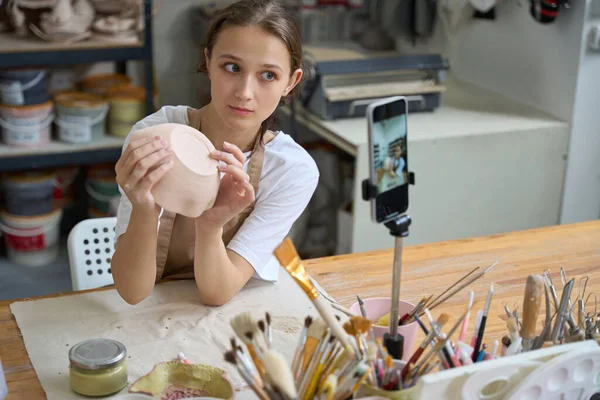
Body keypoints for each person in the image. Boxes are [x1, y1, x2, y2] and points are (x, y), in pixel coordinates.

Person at [110, 0, 319, 307]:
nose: (245, 92)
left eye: (268, 75)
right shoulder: (155, 135)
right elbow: (131, 292)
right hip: (150, 306)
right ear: (208, 62)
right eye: (232, 67)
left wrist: (211, 224)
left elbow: (217, 293)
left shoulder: (291, 170)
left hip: (238, 310)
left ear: (291, 82)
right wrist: (143, 209)